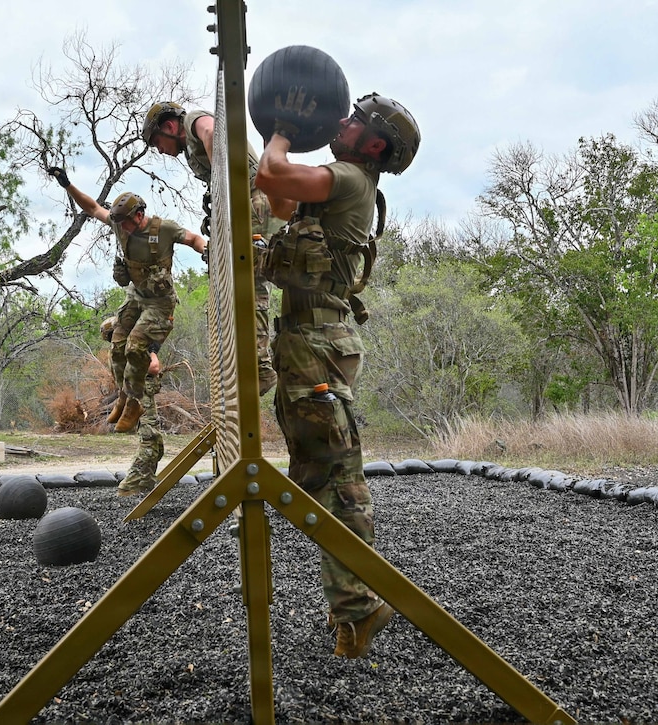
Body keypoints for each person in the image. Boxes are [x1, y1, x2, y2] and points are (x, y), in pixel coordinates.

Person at [253, 92, 420, 659]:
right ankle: (352, 608)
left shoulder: (348, 177)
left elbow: (270, 170)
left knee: (338, 478)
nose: (341, 122)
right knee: (317, 476)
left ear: (373, 144)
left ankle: (360, 607)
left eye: (354, 120)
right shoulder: (342, 183)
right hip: (311, 339)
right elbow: (275, 196)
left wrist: (282, 125)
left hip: (319, 342)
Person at [47, 166, 206, 432]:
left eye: (126, 224)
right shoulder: (121, 225)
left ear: (139, 214)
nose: (122, 229)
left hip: (159, 302)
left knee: (135, 346)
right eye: (119, 224)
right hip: (136, 296)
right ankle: (124, 395)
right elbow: (93, 208)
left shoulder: (163, 229)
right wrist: (68, 185)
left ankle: (134, 403)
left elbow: (193, 238)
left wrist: (207, 251)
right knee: (117, 343)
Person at [143, 101, 283, 395]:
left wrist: (223, 192)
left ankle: (261, 368)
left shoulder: (193, 122)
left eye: (157, 142)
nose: (160, 150)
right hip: (243, 207)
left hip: (253, 201)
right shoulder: (188, 141)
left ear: (169, 127)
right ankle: (249, 361)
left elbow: (211, 132)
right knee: (234, 284)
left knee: (250, 282)